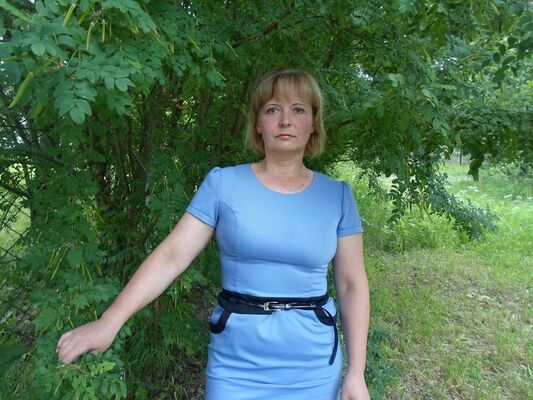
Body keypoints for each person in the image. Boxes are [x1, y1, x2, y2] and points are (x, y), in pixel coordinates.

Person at [57, 68, 370, 400]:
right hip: (236, 366)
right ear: (258, 123)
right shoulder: (223, 184)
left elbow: (352, 285)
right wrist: (110, 320)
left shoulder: (336, 196)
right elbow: (172, 255)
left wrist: (356, 373)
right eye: (272, 109)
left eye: (298, 109)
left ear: (313, 124)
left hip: (313, 366)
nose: (285, 121)